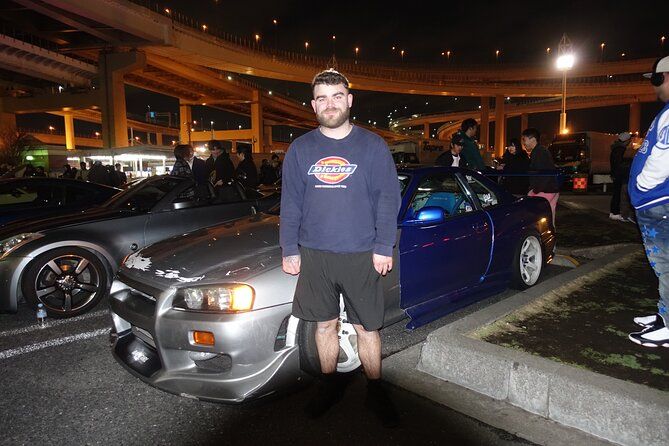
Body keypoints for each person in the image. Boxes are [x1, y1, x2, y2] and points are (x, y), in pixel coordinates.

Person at [280, 69, 401, 425]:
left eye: (336, 96)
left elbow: (387, 198)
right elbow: (291, 204)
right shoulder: (300, 149)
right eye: (321, 98)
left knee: (368, 328)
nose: (329, 104)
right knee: (323, 326)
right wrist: (289, 248)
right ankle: (330, 385)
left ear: (349, 100)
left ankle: (376, 390)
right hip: (315, 255)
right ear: (313, 104)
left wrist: (383, 246)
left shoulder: (372, 145)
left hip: (362, 252)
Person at [627, 55, 669, 347]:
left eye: (657, 79)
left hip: (657, 201)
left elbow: (663, 156)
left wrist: (642, 184)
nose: (655, 87)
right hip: (653, 202)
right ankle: (663, 314)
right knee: (661, 263)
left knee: (665, 263)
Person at [523, 127, 559, 225]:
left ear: (533, 139)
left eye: (524, 139)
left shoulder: (539, 153)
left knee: (535, 216)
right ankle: (550, 235)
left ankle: (539, 236)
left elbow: (543, 173)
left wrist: (535, 190)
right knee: (549, 217)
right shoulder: (540, 151)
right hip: (551, 189)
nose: (524, 143)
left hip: (545, 190)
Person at [609, 132, 633, 221]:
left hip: (616, 174)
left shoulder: (616, 148)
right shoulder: (620, 149)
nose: (630, 142)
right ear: (626, 140)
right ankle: (616, 213)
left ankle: (613, 212)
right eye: (629, 140)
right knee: (619, 194)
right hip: (619, 175)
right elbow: (619, 164)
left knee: (616, 193)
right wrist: (628, 165)